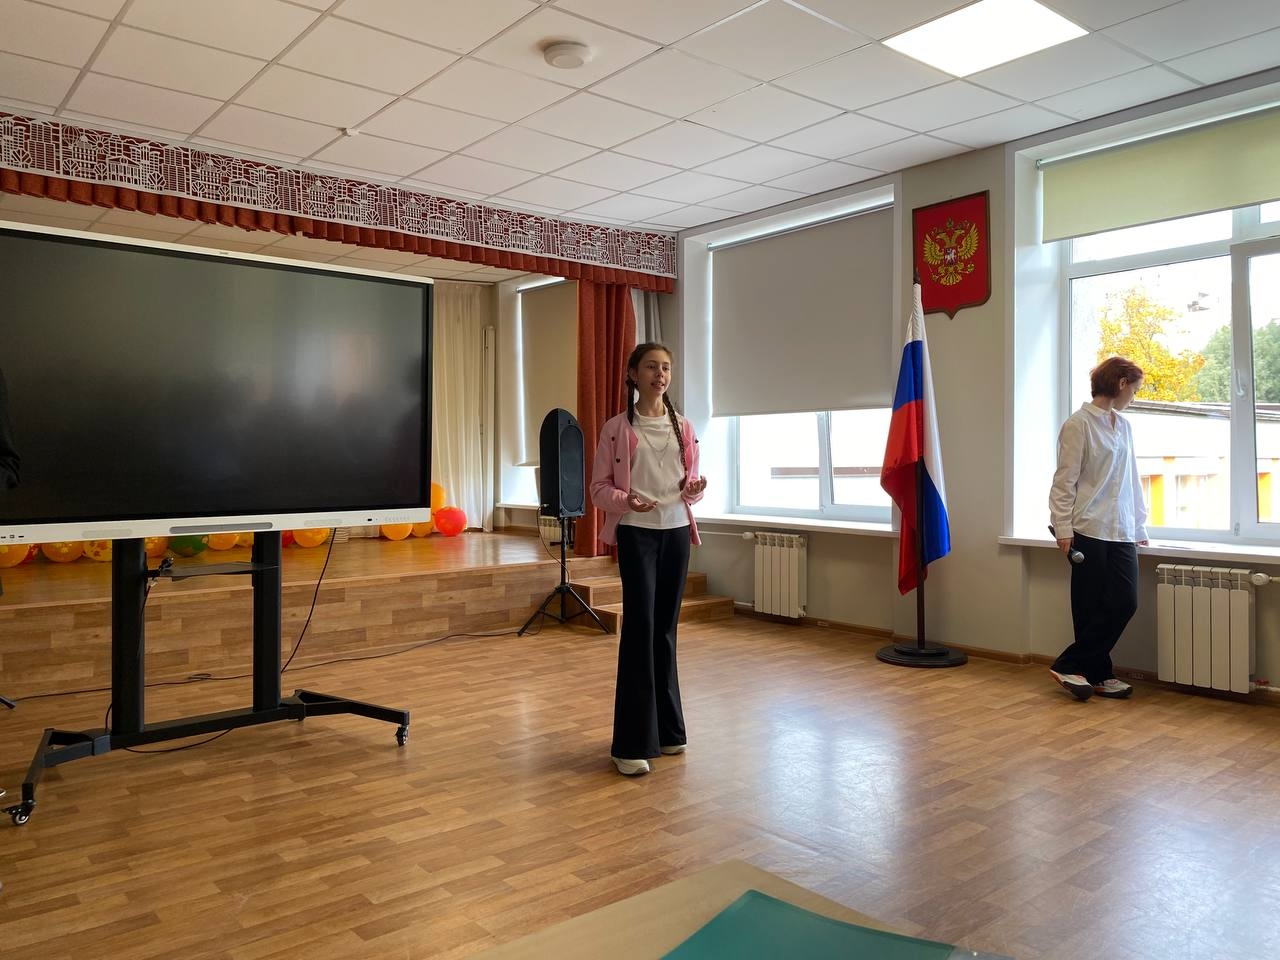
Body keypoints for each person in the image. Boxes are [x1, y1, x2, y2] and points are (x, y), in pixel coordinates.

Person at [590, 342, 707, 776]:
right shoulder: (617, 428)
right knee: (640, 631)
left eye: (666, 368)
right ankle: (630, 744)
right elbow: (598, 489)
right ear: (633, 374)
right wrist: (627, 500)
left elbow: (689, 484)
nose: (661, 374)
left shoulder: (684, 426)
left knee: (665, 632)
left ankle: (669, 731)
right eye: (652, 367)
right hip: (637, 536)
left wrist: (694, 490)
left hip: (676, 534)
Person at [1048, 356, 1148, 701]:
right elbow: (1065, 481)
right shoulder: (1078, 425)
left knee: (1125, 602)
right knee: (1089, 607)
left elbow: (1131, 478)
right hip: (1088, 527)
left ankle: (1069, 664)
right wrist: (1062, 526)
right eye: (1134, 390)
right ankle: (1098, 673)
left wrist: (1138, 524)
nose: (1133, 396)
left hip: (1121, 529)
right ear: (1121, 384)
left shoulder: (1124, 426)